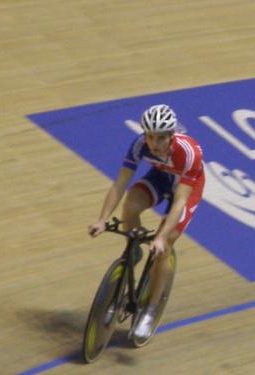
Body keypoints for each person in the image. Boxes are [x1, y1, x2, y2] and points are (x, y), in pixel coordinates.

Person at [88, 104, 205, 339]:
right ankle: (136, 252)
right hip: (161, 178)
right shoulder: (140, 145)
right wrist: (102, 219)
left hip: (186, 190)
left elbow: (180, 201)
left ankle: (150, 310)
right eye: (150, 136)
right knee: (130, 207)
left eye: (161, 138)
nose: (155, 143)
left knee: (164, 247)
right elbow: (120, 184)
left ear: (171, 135)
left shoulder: (188, 152)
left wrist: (161, 238)